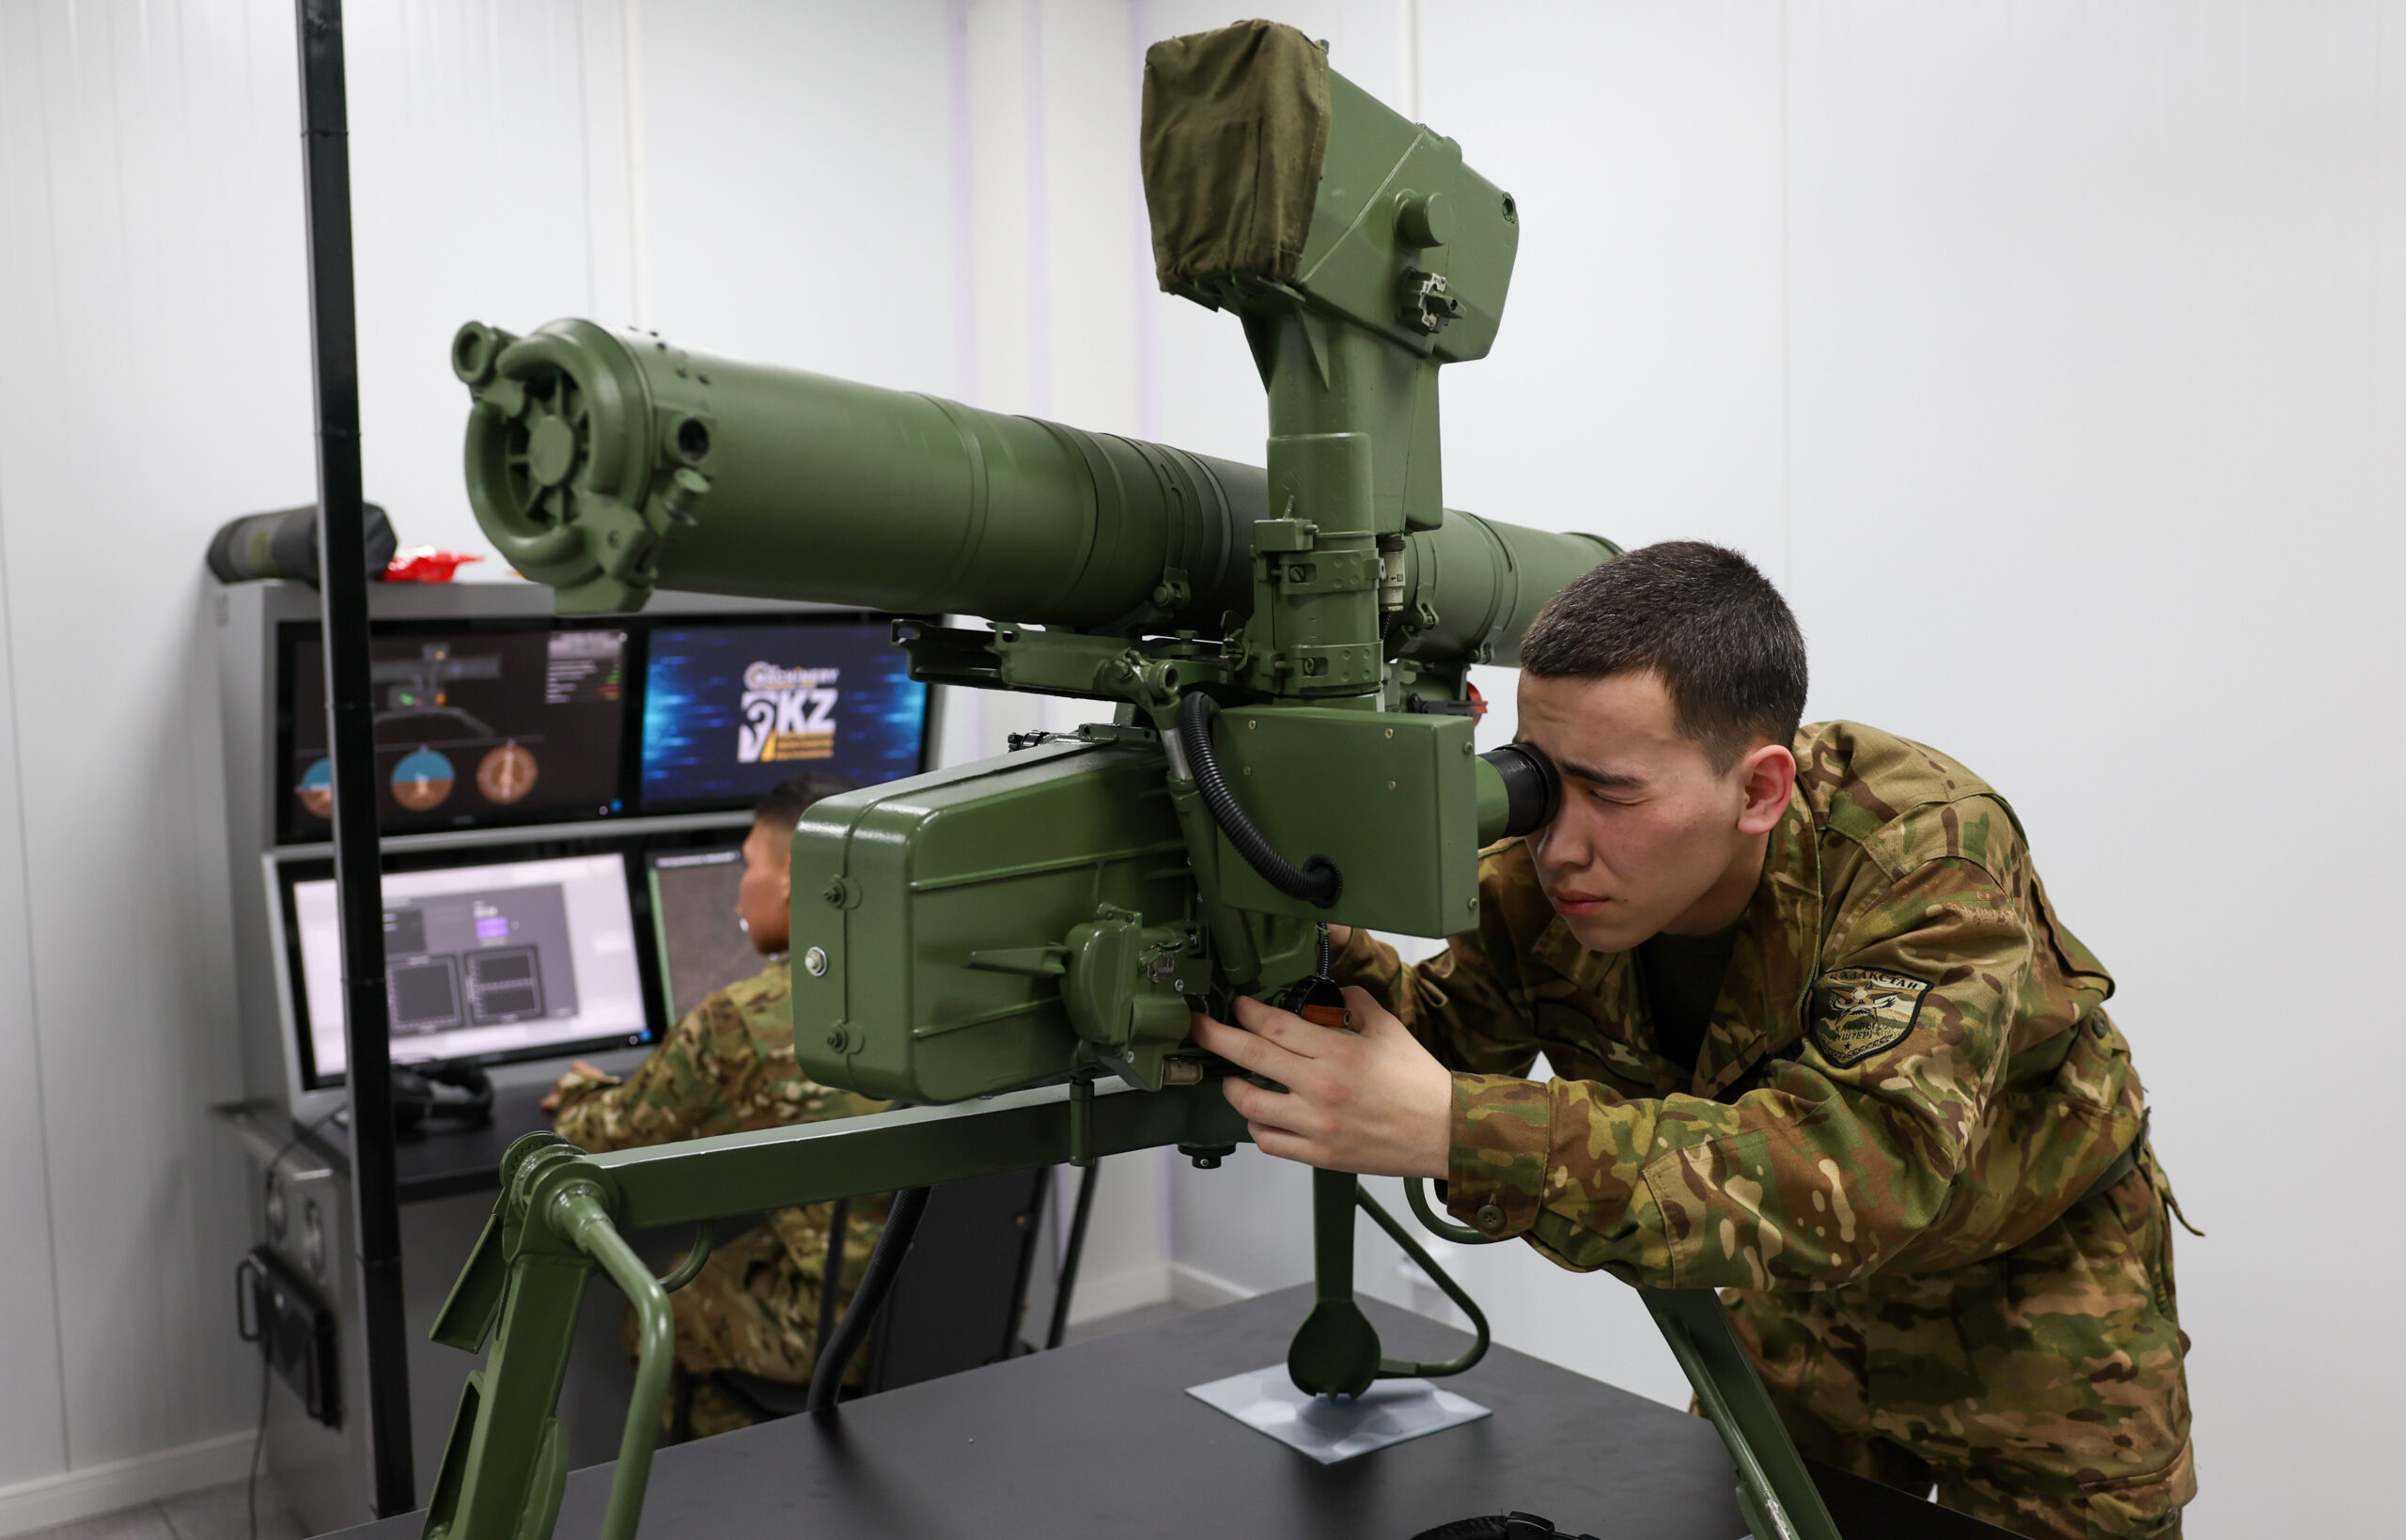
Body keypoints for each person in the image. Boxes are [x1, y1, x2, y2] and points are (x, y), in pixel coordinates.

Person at [1190, 542, 2195, 1539]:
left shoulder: (1918, 848)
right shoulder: (1537, 873)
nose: (1557, 845)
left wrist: (1463, 1129)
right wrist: (1312, 947)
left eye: (1612, 792)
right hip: (1793, 1306)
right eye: (1537, 781)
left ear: (1758, 790)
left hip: (2036, 1310)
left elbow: (1864, 1168)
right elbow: (1435, 1057)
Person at [543, 772, 885, 1436]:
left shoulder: (743, 1021)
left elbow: (604, 1139)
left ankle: (731, 1475)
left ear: (791, 881)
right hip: (949, 1296)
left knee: (663, 1302)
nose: (739, 888)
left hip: (840, 1325)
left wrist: (583, 1088)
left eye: (749, 864)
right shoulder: (944, 987)